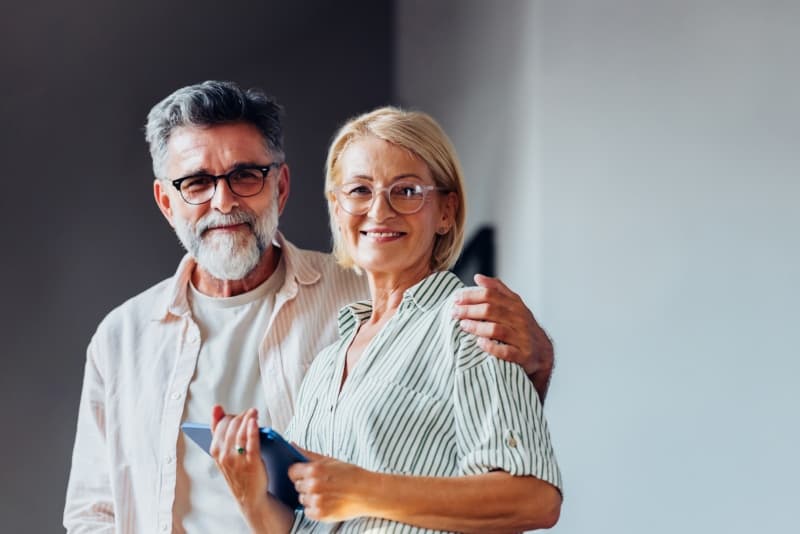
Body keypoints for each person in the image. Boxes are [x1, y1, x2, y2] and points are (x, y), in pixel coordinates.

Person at [63, 81, 555, 534]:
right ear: (167, 203)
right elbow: (94, 512)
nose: (223, 200)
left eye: (245, 175)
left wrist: (537, 360)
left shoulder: (414, 305)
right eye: (196, 183)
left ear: (280, 186)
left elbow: (518, 478)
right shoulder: (120, 338)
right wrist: (251, 491)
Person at [210, 107, 562, 533]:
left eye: (407, 190)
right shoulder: (327, 363)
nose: (380, 210)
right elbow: (308, 523)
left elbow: (533, 499)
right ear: (338, 210)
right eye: (359, 190)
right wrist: (251, 496)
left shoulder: (470, 324)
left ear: (446, 211)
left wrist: (363, 489)